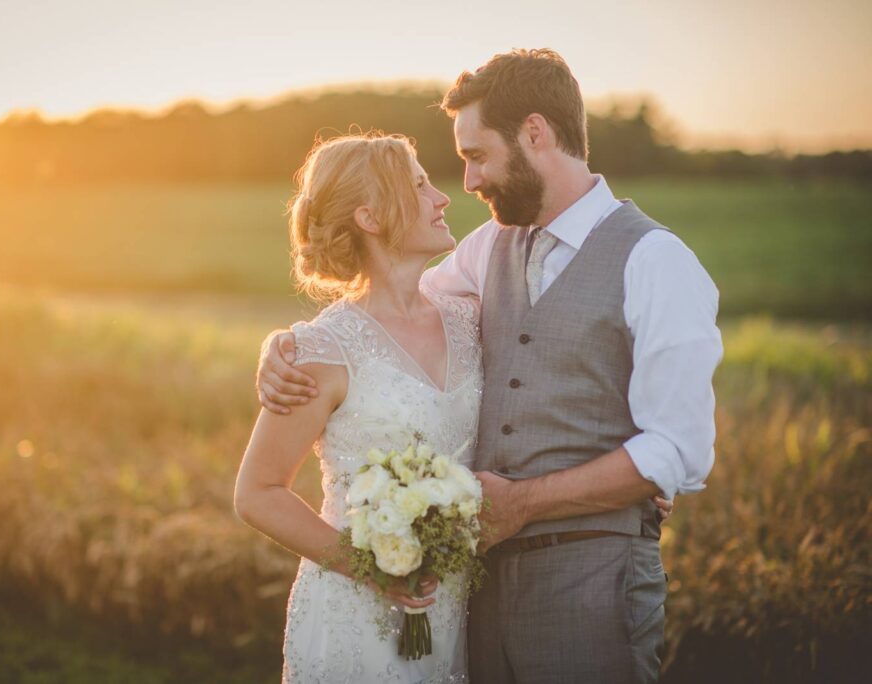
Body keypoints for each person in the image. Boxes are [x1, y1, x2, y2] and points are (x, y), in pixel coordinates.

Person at [255, 48, 720, 683]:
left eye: (476, 156)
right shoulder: (487, 249)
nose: (467, 183)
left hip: (592, 583)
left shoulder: (655, 261)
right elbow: (379, 314)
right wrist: (283, 345)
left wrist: (529, 501)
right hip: (474, 599)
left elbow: (680, 449)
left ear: (535, 133)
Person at [234, 132, 484, 682]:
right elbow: (257, 493)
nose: (442, 197)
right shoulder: (321, 350)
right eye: (419, 185)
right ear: (370, 218)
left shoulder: (471, 319)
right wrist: (375, 571)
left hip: (455, 609)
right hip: (355, 614)